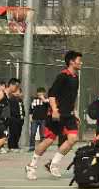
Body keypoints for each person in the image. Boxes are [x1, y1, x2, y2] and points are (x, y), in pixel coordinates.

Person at [27, 50, 83, 179]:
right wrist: (55, 110)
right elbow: (52, 95)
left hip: (68, 115)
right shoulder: (62, 76)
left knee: (73, 139)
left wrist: (75, 112)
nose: (81, 63)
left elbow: (72, 97)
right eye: (79, 61)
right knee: (48, 141)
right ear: (71, 62)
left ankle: (53, 164)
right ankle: (31, 166)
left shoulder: (75, 77)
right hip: (57, 114)